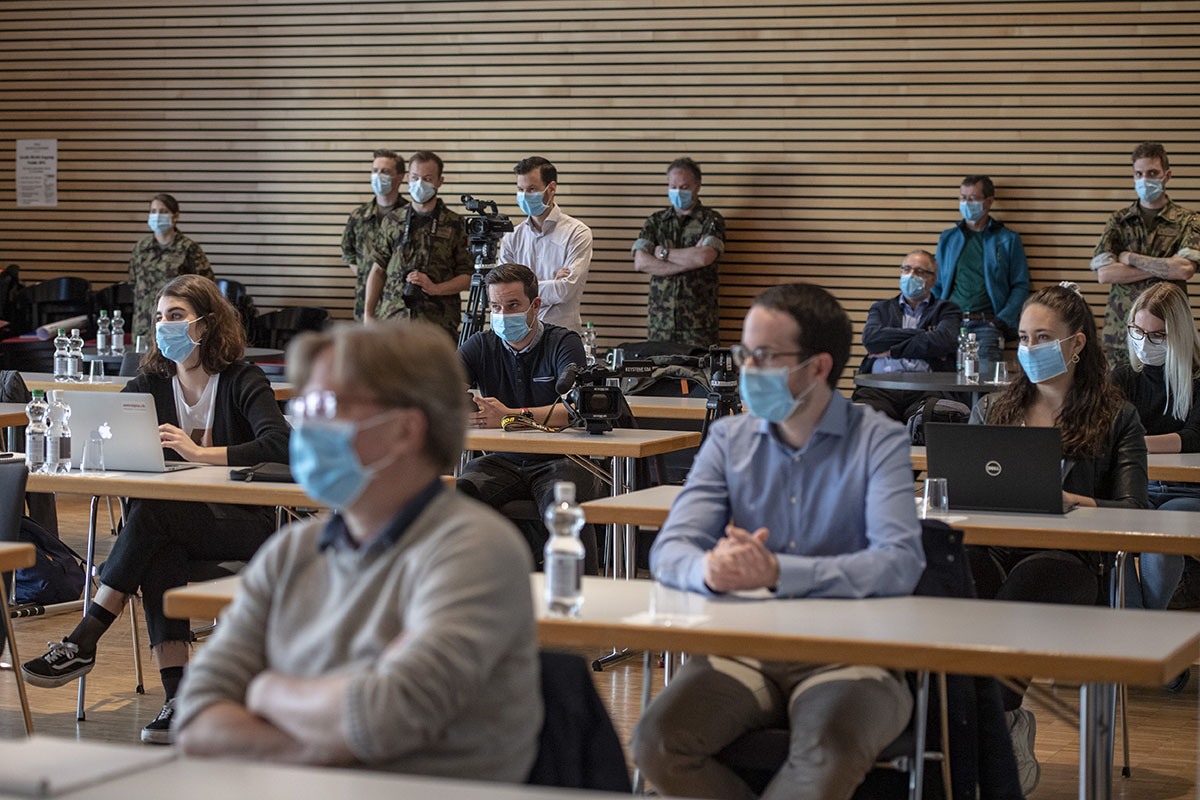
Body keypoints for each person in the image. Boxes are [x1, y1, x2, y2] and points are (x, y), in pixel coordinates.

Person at [173, 319, 541, 779]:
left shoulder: (476, 551)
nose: (304, 425)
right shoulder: (292, 551)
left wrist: (265, 691)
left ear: (405, 429)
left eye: (327, 405)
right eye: (304, 405)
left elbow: (388, 717)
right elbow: (194, 717)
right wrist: (322, 745)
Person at [632, 283, 925, 800]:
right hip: (744, 651)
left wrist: (779, 573)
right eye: (744, 353)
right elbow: (671, 548)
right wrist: (708, 569)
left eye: (765, 357)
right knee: (656, 742)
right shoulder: (729, 439)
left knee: (826, 753)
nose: (747, 369)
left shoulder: (878, 439)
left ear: (817, 367)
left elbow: (899, 563)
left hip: (849, 654)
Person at [21, 274, 290, 744]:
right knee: (158, 544)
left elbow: (279, 444)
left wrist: (200, 453)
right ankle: (179, 698)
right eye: (160, 317)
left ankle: (85, 637)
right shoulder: (149, 383)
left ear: (206, 325)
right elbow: (104, 437)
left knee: (154, 515)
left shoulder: (242, 379)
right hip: (174, 527)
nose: (165, 325)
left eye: (177, 316)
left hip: (245, 524)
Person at [968, 283, 1148, 795]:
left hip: (1067, 561)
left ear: (1077, 343)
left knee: (1033, 578)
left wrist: (1080, 501)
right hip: (993, 549)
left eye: (1042, 336)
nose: (1029, 348)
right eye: (1023, 337)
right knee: (965, 569)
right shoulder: (993, 409)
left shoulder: (1117, 418)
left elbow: (1136, 510)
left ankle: (990, 726)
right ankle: (1001, 723)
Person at [456, 263, 602, 573]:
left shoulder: (564, 343)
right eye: (495, 306)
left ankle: (584, 594)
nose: (503, 314)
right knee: (461, 495)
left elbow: (573, 409)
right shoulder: (481, 345)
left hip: (562, 458)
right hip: (501, 461)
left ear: (535, 305)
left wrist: (509, 417)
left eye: (512, 305)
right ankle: (475, 591)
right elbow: (443, 393)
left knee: (563, 510)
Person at [1115, 282, 1200, 628]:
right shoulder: (1124, 376)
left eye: (1157, 335)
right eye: (1138, 330)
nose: (1144, 342)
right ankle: (1151, 637)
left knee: (1161, 538)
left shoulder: (1196, 379)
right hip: (1138, 488)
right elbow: (1100, 426)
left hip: (1188, 493)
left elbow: (1193, 437)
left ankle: (1143, 638)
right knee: (1105, 544)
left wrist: (1132, 440)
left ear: (1177, 335)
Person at [1091, 141, 1200, 370]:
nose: (1145, 179)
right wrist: (1166, 267)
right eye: (1139, 174)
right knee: (1120, 398)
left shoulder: (1188, 220)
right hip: (1122, 333)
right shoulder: (1119, 220)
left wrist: (1129, 258)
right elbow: (1104, 273)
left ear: (1167, 175)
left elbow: (1184, 269)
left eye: (1152, 173)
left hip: (1169, 332)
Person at [363, 151, 472, 340]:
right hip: (393, 321)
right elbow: (378, 270)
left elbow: (468, 277)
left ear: (440, 181)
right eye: (415, 177)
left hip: (438, 323)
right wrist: (368, 315)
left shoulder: (456, 223)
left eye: (427, 178)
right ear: (407, 179)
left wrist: (435, 288)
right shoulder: (392, 220)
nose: (420, 183)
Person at [851, 249, 963, 422]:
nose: (911, 275)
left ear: (932, 280)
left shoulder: (947, 310)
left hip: (927, 390)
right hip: (879, 389)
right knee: (864, 421)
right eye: (907, 269)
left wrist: (892, 351)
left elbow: (943, 341)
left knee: (928, 420)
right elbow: (871, 340)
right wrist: (923, 334)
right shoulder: (881, 308)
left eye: (919, 271)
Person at [932, 175, 1029, 374]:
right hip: (951, 324)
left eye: (973, 198)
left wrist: (1001, 320)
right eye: (963, 197)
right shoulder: (948, 238)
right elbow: (937, 283)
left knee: (982, 387)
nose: (967, 203)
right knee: (944, 384)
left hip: (988, 325)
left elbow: (1020, 285)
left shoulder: (1008, 239)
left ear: (988, 201)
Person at [632, 157, 727, 348]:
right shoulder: (656, 221)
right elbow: (640, 262)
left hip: (699, 326)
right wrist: (689, 260)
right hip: (660, 325)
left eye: (684, 187)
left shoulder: (711, 220)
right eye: (673, 186)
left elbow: (704, 256)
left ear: (697, 186)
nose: (677, 192)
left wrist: (662, 253)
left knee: (700, 377)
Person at [499, 156, 592, 334]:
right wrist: (552, 282)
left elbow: (565, 290)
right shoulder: (511, 237)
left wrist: (520, 289)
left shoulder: (577, 233)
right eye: (520, 189)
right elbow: (503, 291)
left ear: (551, 188)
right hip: (519, 335)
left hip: (562, 336)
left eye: (532, 189)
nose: (525, 196)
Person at [128, 193, 215, 339]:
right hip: (143, 324)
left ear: (175, 216)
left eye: (163, 212)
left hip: (175, 324)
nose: (157, 216)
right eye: (153, 211)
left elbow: (205, 286)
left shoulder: (188, 248)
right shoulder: (140, 248)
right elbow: (133, 283)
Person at [341, 149, 407, 321]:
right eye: (375, 171)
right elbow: (349, 255)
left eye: (385, 171)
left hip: (398, 306)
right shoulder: (358, 216)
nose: (378, 175)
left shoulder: (409, 215)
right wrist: (370, 278)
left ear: (400, 177)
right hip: (365, 304)